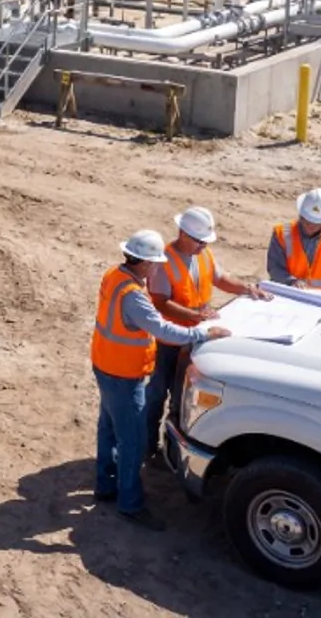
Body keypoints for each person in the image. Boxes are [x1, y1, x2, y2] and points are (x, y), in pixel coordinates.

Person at [92, 228, 230, 532]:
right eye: (155, 263)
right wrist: (202, 332)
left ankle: (105, 485)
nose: (158, 267)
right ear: (145, 263)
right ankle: (129, 503)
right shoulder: (134, 297)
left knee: (109, 427)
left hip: (104, 364)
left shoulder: (114, 275)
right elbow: (163, 329)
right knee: (133, 440)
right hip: (123, 374)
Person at [145, 207, 269, 461]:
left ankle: (172, 450)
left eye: (205, 241)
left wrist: (247, 289)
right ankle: (147, 446)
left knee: (182, 398)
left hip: (197, 339)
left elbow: (220, 278)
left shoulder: (204, 255)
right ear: (182, 233)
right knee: (156, 395)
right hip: (168, 342)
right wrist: (195, 316)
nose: (203, 246)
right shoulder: (163, 261)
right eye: (199, 241)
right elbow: (160, 301)